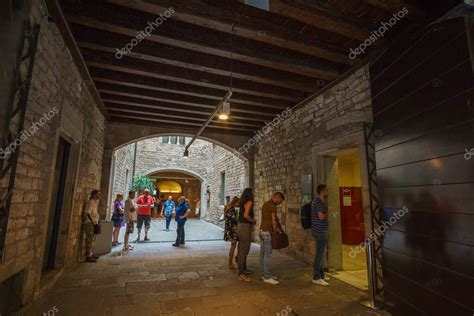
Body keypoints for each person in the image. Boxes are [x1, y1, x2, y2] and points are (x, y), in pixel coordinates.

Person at [259, 192, 285, 285]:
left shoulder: (266, 204)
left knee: (262, 254)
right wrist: (275, 231)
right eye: (280, 201)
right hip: (267, 232)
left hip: (262, 231)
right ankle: (267, 276)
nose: (279, 203)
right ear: (276, 198)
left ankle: (264, 273)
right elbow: (274, 219)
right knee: (268, 255)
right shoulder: (272, 205)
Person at [311, 184, 330, 286]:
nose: (328, 191)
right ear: (322, 191)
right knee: (319, 254)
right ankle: (316, 277)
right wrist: (328, 212)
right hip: (320, 231)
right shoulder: (319, 202)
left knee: (321, 253)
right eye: (327, 190)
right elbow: (321, 217)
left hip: (318, 230)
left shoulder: (318, 201)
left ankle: (321, 275)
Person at [237, 188, 255, 281]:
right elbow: (246, 215)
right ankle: (241, 273)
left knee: (242, 249)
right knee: (244, 250)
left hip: (240, 226)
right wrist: (253, 220)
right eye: (253, 192)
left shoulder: (242, 202)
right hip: (245, 227)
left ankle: (243, 269)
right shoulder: (249, 202)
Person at [81, 190, 101, 262]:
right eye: (98, 194)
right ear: (94, 195)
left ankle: (91, 253)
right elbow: (86, 213)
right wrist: (84, 220)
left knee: (92, 238)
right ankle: (88, 255)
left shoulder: (95, 202)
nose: (99, 196)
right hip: (90, 222)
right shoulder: (90, 202)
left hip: (94, 223)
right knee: (89, 238)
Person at [224, 196, 240, 269]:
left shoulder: (227, 207)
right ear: (235, 202)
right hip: (232, 229)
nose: (238, 204)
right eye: (238, 203)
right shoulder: (232, 209)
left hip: (228, 228)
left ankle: (231, 262)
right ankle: (230, 263)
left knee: (232, 246)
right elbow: (234, 219)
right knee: (233, 246)